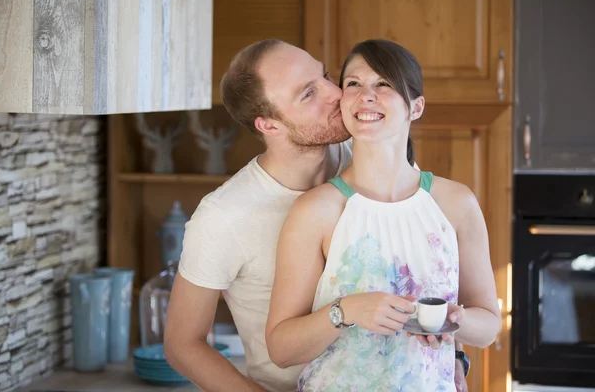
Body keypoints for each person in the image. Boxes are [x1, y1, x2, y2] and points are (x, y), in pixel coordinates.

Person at [164, 39, 470, 392]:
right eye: (308, 94)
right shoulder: (224, 216)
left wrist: (455, 356)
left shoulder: (367, 149)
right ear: (269, 125)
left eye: (325, 75)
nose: (335, 92)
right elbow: (182, 344)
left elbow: (428, 269)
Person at [265, 40, 500, 391]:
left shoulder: (456, 203)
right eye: (354, 84)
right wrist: (345, 311)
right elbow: (281, 348)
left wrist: (454, 321)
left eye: (384, 84)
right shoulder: (316, 210)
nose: (366, 95)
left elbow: (488, 327)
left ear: (416, 107)